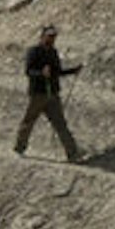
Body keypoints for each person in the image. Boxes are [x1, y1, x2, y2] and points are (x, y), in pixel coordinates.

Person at [16, 23, 83, 161]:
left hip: (52, 94)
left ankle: (73, 154)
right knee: (29, 122)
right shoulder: (33, 51)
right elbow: (29, 71)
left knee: (60, 124)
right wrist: (42, 73)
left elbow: (57, 72)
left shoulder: (53, 52)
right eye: (49, 36)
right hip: (38, 94)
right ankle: (20, 147)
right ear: (42, 37)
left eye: (53, 37)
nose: (52, 39)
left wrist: (73, 71)